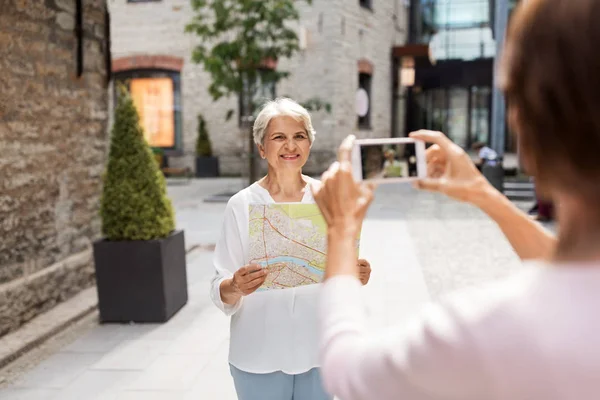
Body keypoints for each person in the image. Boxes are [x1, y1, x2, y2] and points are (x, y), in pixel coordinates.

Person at [312, 0, 600, 398]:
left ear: (527, 132)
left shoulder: (486, 332)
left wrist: (341, 230)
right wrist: (482, 193)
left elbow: (347, 373)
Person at [210, 98, 371, 400]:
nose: (290, 146)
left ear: (309, 144)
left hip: (320, 353)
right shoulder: (241, 205)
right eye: (278, 137)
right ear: (262, 148)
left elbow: (342, 274)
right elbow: (219, 287)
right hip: (258, 356)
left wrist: (355, 274)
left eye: (299, 136)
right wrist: (234, 285)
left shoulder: (330, 198)